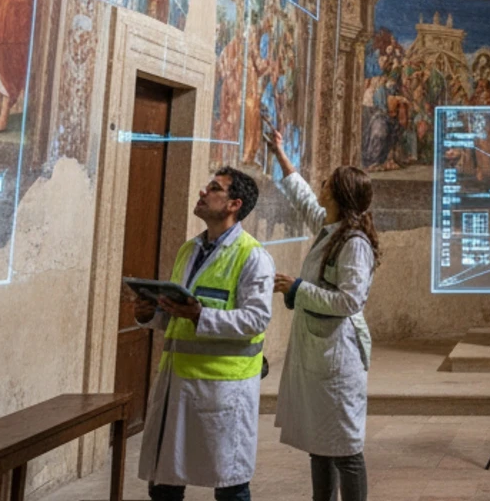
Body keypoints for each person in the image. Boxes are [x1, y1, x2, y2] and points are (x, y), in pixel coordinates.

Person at [131, 168, 274, 501]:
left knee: (229, 487)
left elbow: (255, 320)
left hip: (222, 391)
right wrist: (150, 313)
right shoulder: (189, 250)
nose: (202, 192)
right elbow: (177, 318)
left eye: (214, 188)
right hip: (176, 383)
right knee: (164, 483)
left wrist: (200, 315)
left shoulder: (252, 257)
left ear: (233, 204)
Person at [267, 132, 380, 501]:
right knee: (320, 441)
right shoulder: (331, 228)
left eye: (327, 182)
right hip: (320, 353)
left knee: (345, 449)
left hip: (338, 357)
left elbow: (350, 301)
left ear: (338, 194)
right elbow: (302, 200)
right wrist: (282, 157)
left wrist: (297, 288)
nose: (321, 184)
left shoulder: (354, 243)